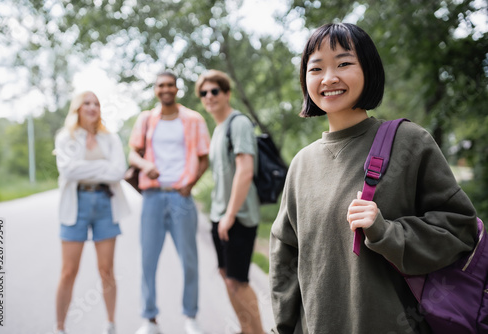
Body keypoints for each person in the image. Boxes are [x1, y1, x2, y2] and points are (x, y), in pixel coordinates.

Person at [269, 23, 479, 333]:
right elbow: (284, 255)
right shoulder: (302, 163)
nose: (329, 78)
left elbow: (459, 229)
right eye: (316, 68)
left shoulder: (409, 142)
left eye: (343, 63)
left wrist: (386, 232)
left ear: (368, 69)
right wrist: (282, 327)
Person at [129, 71, 210, 334]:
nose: (165, 89)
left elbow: (204, 157)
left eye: (170, 85)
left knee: (189, 259)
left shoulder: (193, 119)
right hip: (152, 196)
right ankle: (149, 319)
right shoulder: (146, 119)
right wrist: (145, 165)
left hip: (181, 196)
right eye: (160, 85)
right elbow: (132, 153)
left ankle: (191, 316)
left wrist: (190, 184)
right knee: (147, 260)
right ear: (155, 90)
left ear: (177, 89)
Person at [54, 91, 130, 334]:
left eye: (96, 103)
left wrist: (87, 169)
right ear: (77, 108)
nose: (92, 107)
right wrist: (102, 167)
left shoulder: (111, 138)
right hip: (76, 203)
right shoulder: (66, 137)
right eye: (86, 103)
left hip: (105, 203)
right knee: (68, 271)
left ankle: (110, 324)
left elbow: (118, 171)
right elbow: (68, 170)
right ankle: (60, 327)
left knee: (106, 269)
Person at [196, 70, 265, 334]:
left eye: (215, 91)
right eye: (204, 93)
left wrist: (230, 215)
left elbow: (245, 170)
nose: (209, 96)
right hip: (220, 215)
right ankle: (245, 329)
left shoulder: (238, 124)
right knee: (228, 278)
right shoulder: (218, 129)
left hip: (238, 216)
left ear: (227, 94)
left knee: (238, 280)